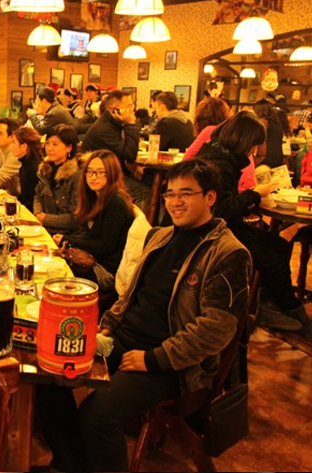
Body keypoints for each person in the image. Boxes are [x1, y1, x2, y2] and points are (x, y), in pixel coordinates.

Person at [38, 159, 253, 472]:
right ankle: (69, 464)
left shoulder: (228, 253)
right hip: (122, 342)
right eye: (170, 194)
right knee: (48, 377)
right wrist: (106, 328)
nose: (175, 202)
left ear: (210, 197)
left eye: (186, 193)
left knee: (97, 414)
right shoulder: (161, 236)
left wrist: (153, 359)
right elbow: (130, 296)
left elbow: (215, 331)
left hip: (171, 365)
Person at [196, 111, 311, 338]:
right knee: (272, 255)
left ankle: (269, 306)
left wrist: (253, 197)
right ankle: (291, 309)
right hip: (211, 234)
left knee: (278, 245)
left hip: (217, 227)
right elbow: (222, 211)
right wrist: (255, 194)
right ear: (245, 141)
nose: (255, 151)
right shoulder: (220, 164)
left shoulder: (216, 153)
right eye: (255, 145)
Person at [52, 150, 135, 291]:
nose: (93, 177)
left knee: (54, 275)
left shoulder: (115, 202)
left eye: (100, 172)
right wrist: (67, 241)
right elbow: (87, 234)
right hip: (91, 259)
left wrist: (68, 240)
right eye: (89, 172)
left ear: (112, 173)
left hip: (104, 270)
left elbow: (105, 246)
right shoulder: (95, 197)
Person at [81, 90, 148, 212]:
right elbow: (130, 154)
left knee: (148, 181)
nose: (132, 110)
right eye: (128, 107)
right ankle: (133, 223)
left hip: (110, 171)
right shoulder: (104, 129)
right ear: (114, 110)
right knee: (143, 192)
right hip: (98, 174)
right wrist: (131, 124)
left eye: (132, 105)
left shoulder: (113, 124)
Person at [33, 124, 80, 235]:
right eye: (47, 143)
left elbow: (75, 218)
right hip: (45, 228)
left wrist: (45, 219)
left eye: (55, 144)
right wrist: (38, 213)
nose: (50, 148)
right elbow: (38, 195)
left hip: (68, 234)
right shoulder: (46, 168)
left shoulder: (76, 174)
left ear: (69, 147)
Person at [10, 127, 43, 212]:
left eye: (14, 142)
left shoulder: (35, 167)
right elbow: (24, 196)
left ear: (24, 146)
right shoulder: (25, 164)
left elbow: (32, 200)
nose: (11, 146)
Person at [253, 99, 285, 169]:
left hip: (264, 159)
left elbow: (257, 140)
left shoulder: (263, 122)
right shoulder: (277, 123)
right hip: (278, 158)